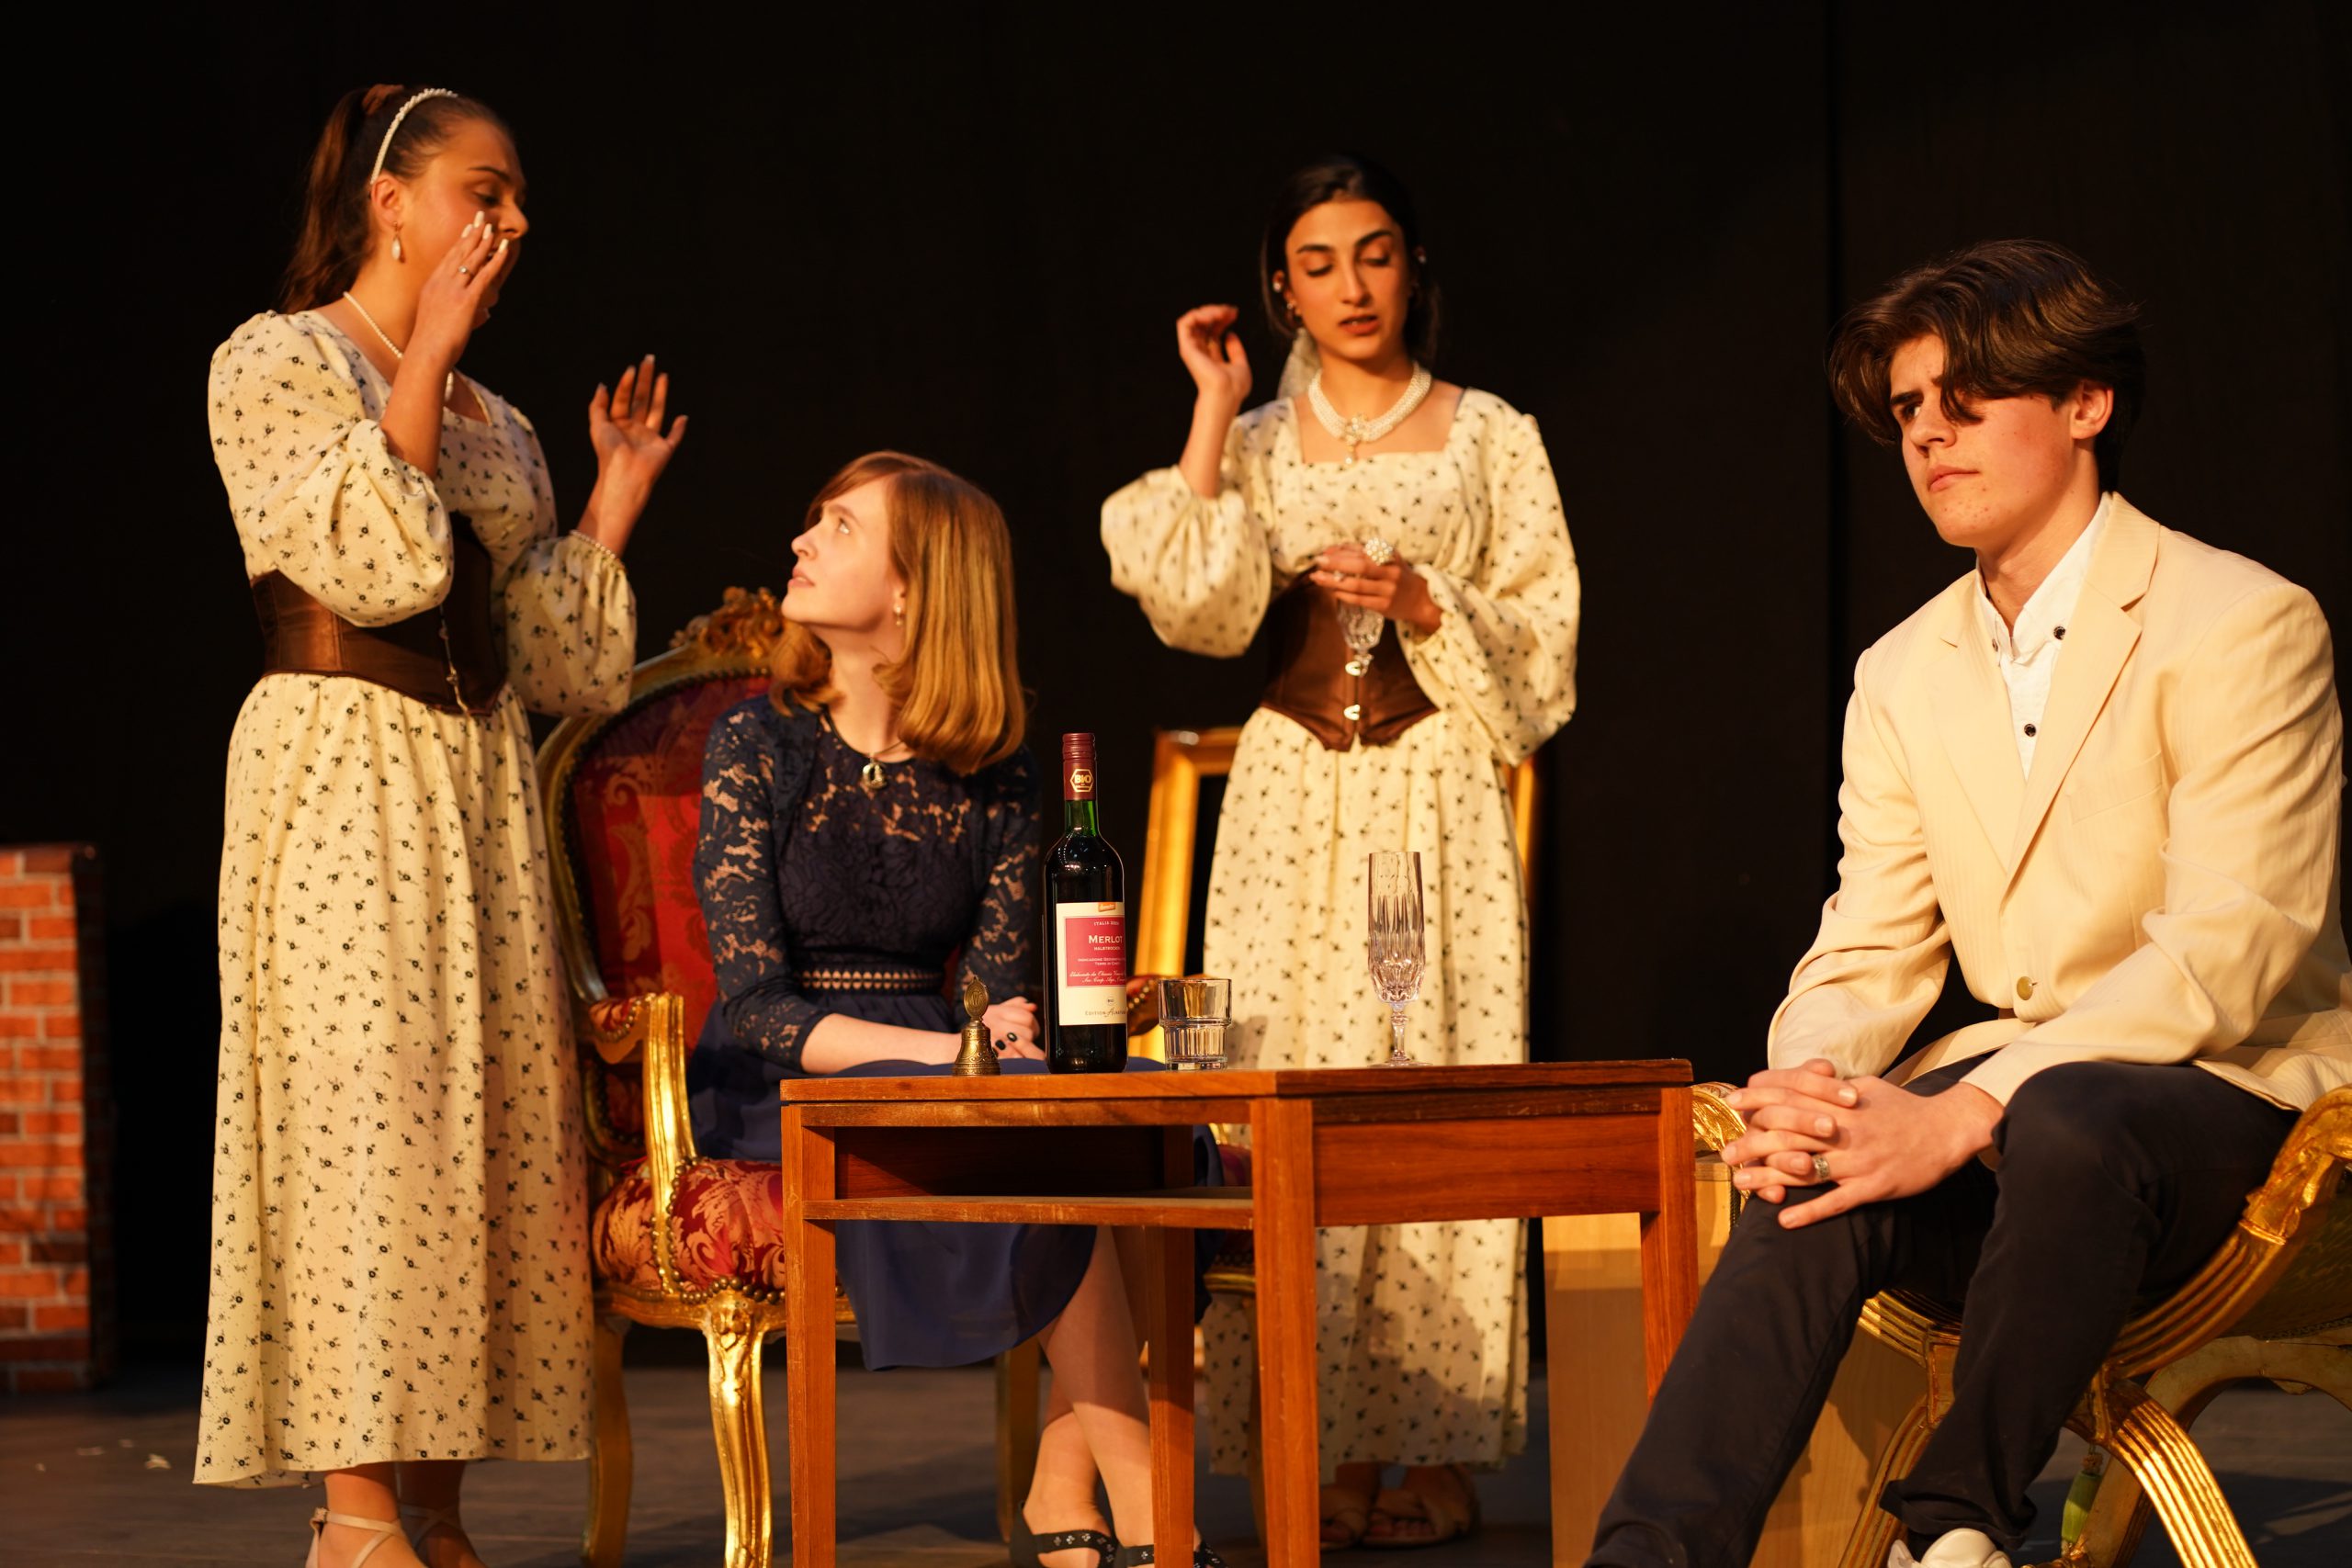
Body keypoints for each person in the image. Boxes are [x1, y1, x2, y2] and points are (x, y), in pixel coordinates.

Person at [1584, 239, 2349, 1568]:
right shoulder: (1902, 669)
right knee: (1822, 1162)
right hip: (2024, 1130)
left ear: (2085, 403)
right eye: (1907, 411)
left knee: (2068, 1111)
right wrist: (1807, 1086)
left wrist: (1966, 1106)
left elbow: (2227, 951)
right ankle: (1649, 1554)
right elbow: (1870, 943)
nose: (1928, 435)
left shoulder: (2242, 620)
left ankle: (1955, 1531)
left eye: (1967, 400)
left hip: (2231, 1104)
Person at [200, 83, 684, 1568]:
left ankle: (432, 1502)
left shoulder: (502, 420)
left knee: (476, 1132)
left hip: (472, 781)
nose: (513, 219)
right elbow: (377, 565)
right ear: (390, 203)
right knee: (366, 1129)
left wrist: (609, 499)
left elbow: (554, 663)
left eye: (519, 196)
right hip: (344, 768)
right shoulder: (279, 361)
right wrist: (421, 358)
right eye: (487, 189)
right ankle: (353, 1515)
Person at [1100, 154, 1581, 1550]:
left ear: (1413, 267)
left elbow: (1547, 637)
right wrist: (1211, 404)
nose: (1352, 286)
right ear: (1282, 288)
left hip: (1432, 788)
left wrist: (1430, 599)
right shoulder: (1255, 439)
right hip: (1292, 795)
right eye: (1318, 263)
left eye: (1375, 254)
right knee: (1282, 1086)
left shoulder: (1491, 434)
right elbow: (1193, 604)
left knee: (1422, 1086)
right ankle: (1304, 1439)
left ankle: (1423, 1434)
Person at [690, 452, 1224, 1568]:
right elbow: (756, 1008)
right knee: (1034, 1140)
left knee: (1135, 1117)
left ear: (913, 587)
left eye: (839, 527)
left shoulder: (994, 770)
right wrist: (954, 1053)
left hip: (951, 1055)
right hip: (786, 1079)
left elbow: (990, 985)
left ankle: (1064, 1483)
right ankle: (1146, 1500)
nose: (801, 542)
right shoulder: (755, 745)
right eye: (814, 519)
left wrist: (1001, 1030)